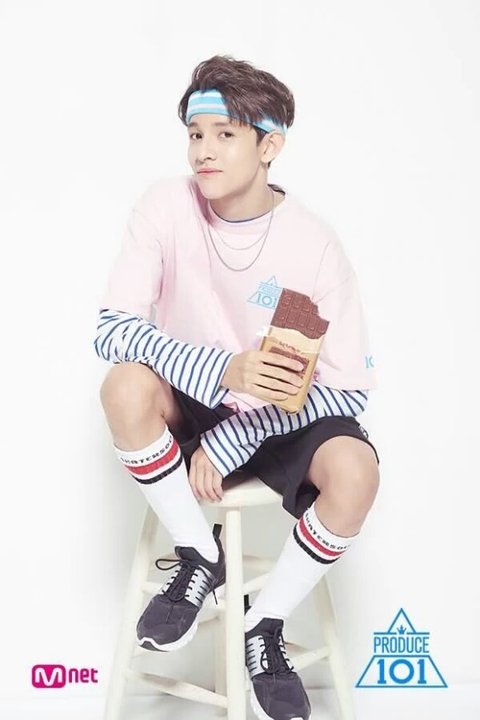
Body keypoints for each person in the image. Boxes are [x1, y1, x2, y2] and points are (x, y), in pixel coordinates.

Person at [94, 54, 380, 720]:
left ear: (269, 145)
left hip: (285, 415)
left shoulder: (312, 244)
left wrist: (236, 436)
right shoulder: (166, 206)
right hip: (195, 398)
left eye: (225, 134)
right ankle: (201, 553)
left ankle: (265, 624)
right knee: (123, 386)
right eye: (196, 134)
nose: (204, 150)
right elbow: (112, 329)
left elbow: (346, 392)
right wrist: (221, 370)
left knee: (356, 472)